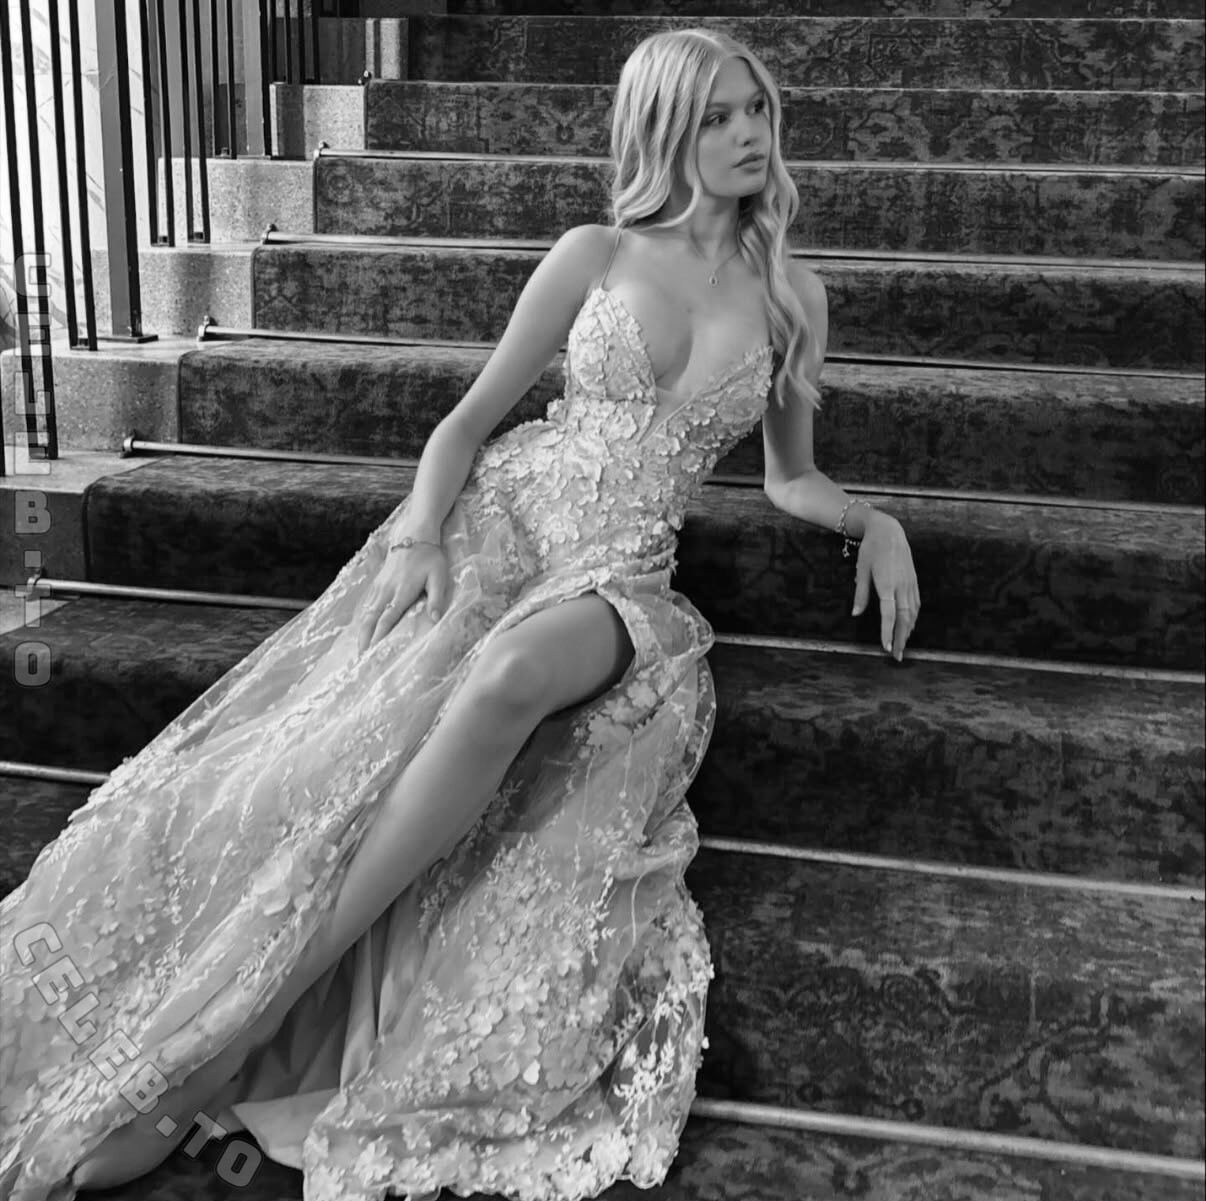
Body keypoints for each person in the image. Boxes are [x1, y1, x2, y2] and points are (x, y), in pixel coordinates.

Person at [0, 26, 919, 1201]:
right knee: (305, 773)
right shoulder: (594, 254)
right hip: (498, 529)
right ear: (663, 130)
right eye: (716, 115)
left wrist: (871, 521)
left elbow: (790, 475)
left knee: (508, 678)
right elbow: (467, 422)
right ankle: (204, 1016)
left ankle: (221, 1043)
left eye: (757, 110)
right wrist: (421, 533)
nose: (749, 133)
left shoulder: (792, 296)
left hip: (619, 574)